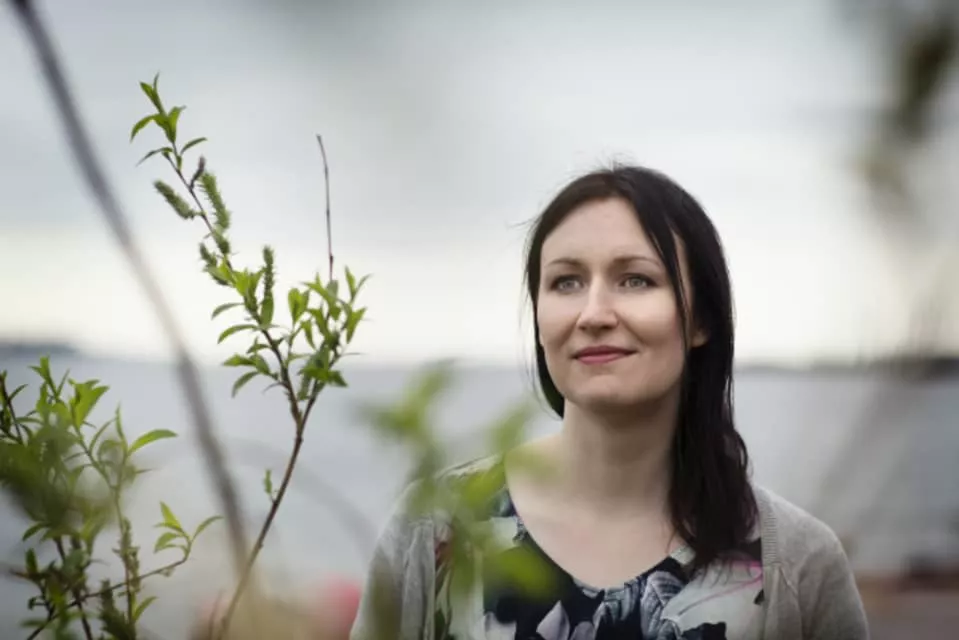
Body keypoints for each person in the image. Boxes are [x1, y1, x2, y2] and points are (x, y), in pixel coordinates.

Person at [347, 165, 871, 640]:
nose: (594, 313)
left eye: (635, 280)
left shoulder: (797, 565)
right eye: (566, 282)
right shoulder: (436, 529)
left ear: (702, 321)